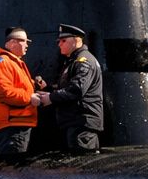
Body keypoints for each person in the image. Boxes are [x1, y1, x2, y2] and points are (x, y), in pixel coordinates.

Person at [34, 23, 104, 152]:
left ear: (76, 40)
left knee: (82, 163)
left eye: (63, 40)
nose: (59, 44)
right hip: (76, 121)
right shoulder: (73, 61)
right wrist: (47, 89)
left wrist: (51, 98)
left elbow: (77, 89)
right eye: (59, 41)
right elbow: (68, 87)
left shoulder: (84, 61)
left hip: (82, 122)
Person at [0, 26, 38, 155]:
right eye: (25, 41)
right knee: (12, 167)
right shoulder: (3, 62)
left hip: (19, 124)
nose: (27, 45)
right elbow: (2, 91)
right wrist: (30, 97)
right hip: (12, 126)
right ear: (13, 42)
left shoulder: (15, 63)